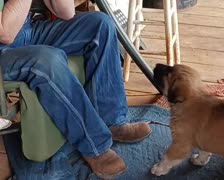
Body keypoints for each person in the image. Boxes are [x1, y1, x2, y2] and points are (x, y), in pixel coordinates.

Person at [0, 0, 152, 179]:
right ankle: (94, 147)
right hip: (4, 46)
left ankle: (112, 121)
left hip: (26, 29)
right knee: (48, 60)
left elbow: (67, 13)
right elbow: (5, 33)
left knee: (100, 24)